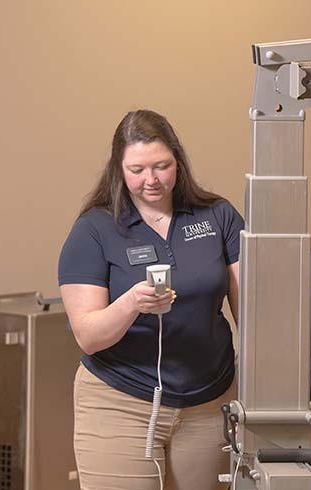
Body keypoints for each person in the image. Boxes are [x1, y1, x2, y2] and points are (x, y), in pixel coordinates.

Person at [58, 109, 244, 490]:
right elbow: (89, 336)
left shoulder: (218, 216)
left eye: (162, 166)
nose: (152, 180)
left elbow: (253, 316)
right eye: (137, 170)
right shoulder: (95, 229)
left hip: (209, 400)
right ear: (118, 169)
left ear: (179, 161)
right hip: (121, 401)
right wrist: (130, 304)